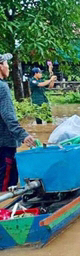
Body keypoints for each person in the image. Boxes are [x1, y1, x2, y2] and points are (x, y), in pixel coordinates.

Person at [0, 53, 36, 192]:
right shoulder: (2, 87)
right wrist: (23, 135)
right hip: (5, 144)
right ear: (0, 67)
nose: (8, 67)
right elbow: (7, 115)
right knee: (6, 185)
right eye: (6, 63)